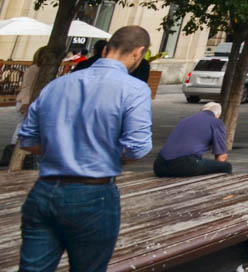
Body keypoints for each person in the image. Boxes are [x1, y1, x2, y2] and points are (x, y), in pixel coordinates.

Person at [16, 25, 153, 272]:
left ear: (106, 48)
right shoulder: (134, 89)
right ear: (138, 53)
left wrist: (62, 150)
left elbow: (26, 139)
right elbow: (137, 147)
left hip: (44, 189)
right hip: (93, 192)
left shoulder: (57, 85)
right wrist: (99, 154)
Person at [154, 103, 232, 177]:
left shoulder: (185, 120)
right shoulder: (216, 122)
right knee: (226, 166)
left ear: (202, 110)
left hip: (159, 165)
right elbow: (221, 157)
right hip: (182, 164)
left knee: (201, 162)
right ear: (218, 114)